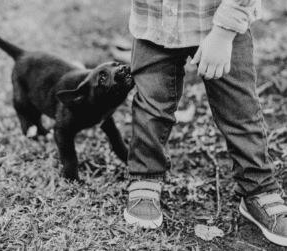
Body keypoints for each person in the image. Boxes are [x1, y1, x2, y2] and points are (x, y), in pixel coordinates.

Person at [123, 0, 287, 246]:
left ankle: (258, 188)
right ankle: (145, 175)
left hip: (222, 26)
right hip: (153, 22)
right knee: (151, 107)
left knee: (240, 110)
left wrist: (223, 34)